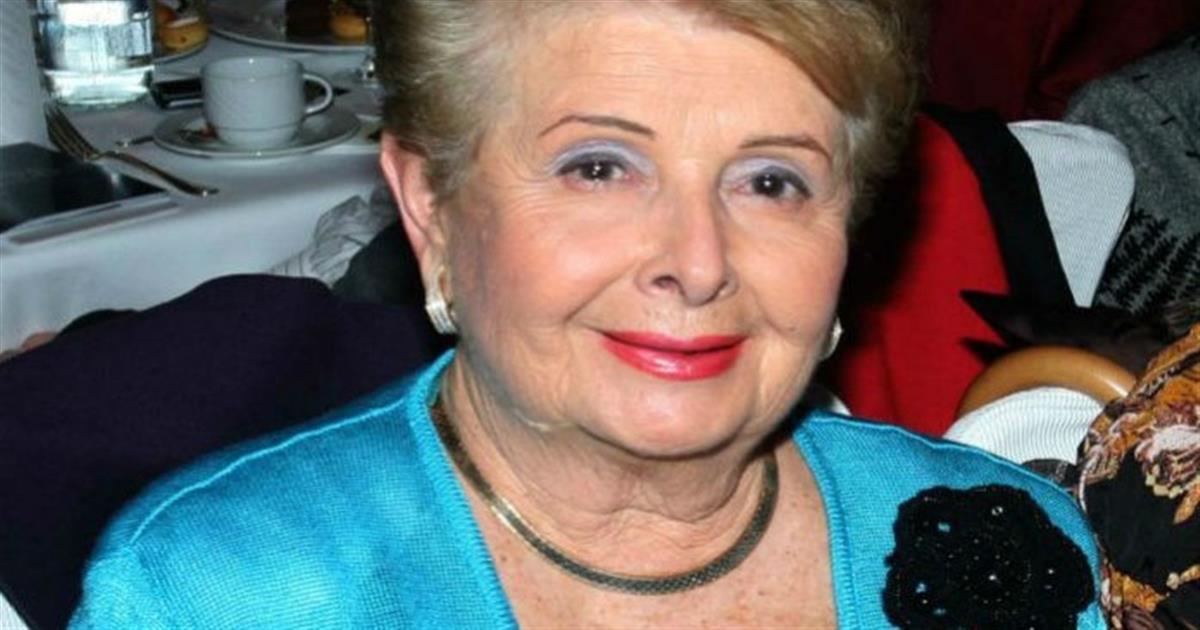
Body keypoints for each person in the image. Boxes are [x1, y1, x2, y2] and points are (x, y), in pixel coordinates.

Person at [70, 1, 1105, 627]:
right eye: (599, 167)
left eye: (771, 182)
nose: (696, 264)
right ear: (432, 206)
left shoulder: (1001, 545)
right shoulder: (217, 595)